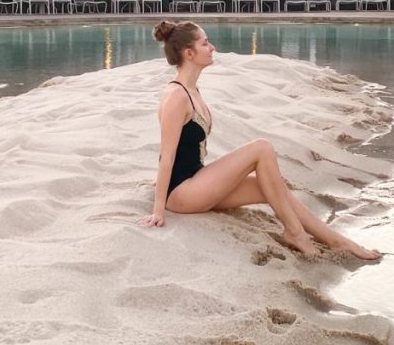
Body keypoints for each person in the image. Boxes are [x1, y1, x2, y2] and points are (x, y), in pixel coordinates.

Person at [141, 20, 380, 261]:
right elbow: (167, 155)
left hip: (197, 181)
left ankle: (338, 241)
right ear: (189, 53)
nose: (212, 47)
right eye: (205, 43)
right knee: (261, 148)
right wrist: (158, 210)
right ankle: (295, 233)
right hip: (181, 194)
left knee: (273, 186)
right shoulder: (176, 96)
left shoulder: (192, 90)